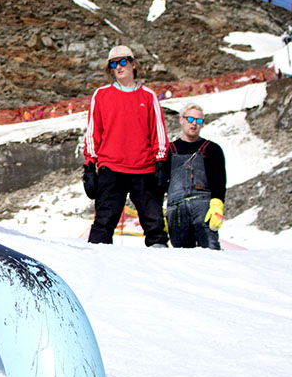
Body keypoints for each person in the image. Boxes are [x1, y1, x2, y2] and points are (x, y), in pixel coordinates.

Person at [82, 45, 170, 246]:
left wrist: (161, 163)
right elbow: (93, 131)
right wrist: (89, 166)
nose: (119, 67)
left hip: (144, 168)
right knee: (104, 222)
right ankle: (96, 263)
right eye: (114, 63)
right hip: (111, 168)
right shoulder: (101, 95)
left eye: (123, 62)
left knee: (155, 224)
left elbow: (159, 131)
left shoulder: (148, 96)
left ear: (133, 63)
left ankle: (161, 264)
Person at [165, 104, 227, 249]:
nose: (194, 123)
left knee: (211, 252)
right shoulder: (169, 150)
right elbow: (159, 181)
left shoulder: (212, 149)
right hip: (176, 210)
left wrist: (217, 203)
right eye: (190, 119)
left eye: (199, 121)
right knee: (182, 259)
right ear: (181, 120)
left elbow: (219, 179)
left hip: (203, 208)